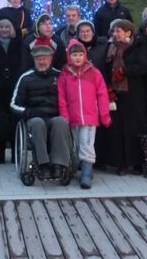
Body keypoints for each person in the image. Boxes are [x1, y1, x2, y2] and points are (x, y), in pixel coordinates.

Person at [10, 45, 71, 180]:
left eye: (45, 58)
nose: (42, 62)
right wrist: (28, 112)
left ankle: (58, 164)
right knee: (38, 123)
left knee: (61, 122)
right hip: (34, 117)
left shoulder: (60, 76)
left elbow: (69, 99)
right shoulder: (25, 78)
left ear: (51, 59)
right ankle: (43, 164)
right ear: (34, 60)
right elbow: (13, 105)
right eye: (38, 59)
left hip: (54, 116)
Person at [58, 40, 111, 189]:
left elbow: (102, 94)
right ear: (69, 56)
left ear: (85, 55)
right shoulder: (65, 75)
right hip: (73, 117)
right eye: (74, 55)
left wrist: (104, 115)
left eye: (80, 54)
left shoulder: (94, 73)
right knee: (76, 145)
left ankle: (87, 173)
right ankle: (78, 167)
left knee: (87, 144)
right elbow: (62, 97)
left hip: (89, 117)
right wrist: (65, 115)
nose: (78, 58)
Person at [97, 20, 147, 175]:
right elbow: (105, 68)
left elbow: (142, 67)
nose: (115, 34)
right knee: (117, 129)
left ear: (128, 32)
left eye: (118, 31)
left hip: (133, 93)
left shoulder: (137, 47)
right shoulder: (111, 47)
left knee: (134, 128)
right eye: (114, 31)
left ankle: (137, 162)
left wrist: (124, 71)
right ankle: (121, 163)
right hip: (116, 93)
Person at [0, 18, 23, 164]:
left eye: (7, 27)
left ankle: (15, 153)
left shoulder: (19, 44)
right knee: (0, 122)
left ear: (12, 29)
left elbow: (23, 64)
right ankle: (0, 153)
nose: (4, 29)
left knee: (15, 122)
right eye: (1, 27)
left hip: (15, 88)